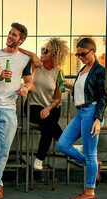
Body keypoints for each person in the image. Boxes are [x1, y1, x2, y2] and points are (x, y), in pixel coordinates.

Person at [0, 23, 34, 199]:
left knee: (3, 150)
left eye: (14, 35)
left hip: (9, 109)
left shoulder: (24, 60)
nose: (10, 36)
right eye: (10, 33)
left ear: (21, 40)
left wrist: (26, 88)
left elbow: (29, 82)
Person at [57, 37, 107, 199]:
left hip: (91, 113)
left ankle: (89, 191)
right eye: (78, 55)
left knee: (90, 152)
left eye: (83, 54)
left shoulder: (99, 70)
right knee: (62, 144)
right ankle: (93, 164)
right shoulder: (83, 70)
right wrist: (69, 85)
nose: (80, 57)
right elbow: (84, 90)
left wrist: (98, 119)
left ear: (93, 51)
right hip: (80, 113)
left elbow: (102, 97)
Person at [26, 37, 69, 170]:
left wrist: (48, 108)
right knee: (48, 122)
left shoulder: (59, 73)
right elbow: (18, 49)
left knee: (47, 125)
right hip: (33, 106)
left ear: (55, 56)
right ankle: (68, 145)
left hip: (52, 107)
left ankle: (39, 159)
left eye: (47, 51)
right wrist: (33, 55)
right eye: (42, 49)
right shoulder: (34, 66)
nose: (43, 52)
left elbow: (58, 99)